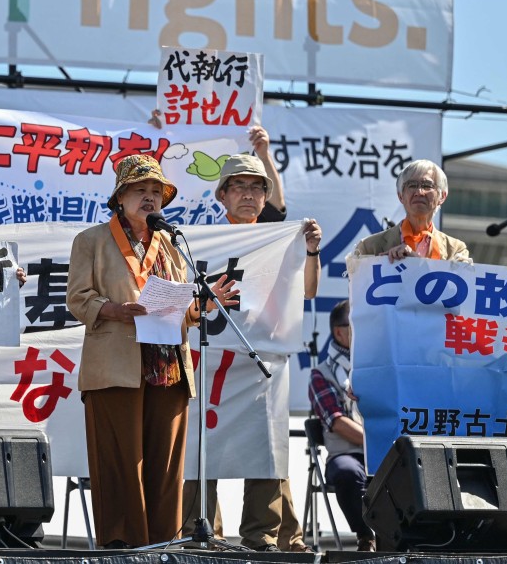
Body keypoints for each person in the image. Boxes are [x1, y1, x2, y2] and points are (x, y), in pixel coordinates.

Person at [66, 154, 239, 548]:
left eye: (156, 192)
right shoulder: (91, 240)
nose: (150, 198)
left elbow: (179, 309)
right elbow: (77, 299)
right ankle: (122, 547)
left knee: (166, 468)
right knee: (121, 464)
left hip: (169, 367)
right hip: (115, 366)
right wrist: (114, 310)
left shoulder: (172, 244)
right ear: (121, 197)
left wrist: (204, 306)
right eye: (141, 190)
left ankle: (164, 545)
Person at [182, 143, 322, 552]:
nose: (247, 194)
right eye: (238, 186)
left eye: (256, 187)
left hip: (263, 361)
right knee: (200, 446)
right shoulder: (196, 241)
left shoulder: (282, 239)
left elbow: (309, 290)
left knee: (265, 446)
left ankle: (261, 537)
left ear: (266, 195)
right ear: (221, 194)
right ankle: (201, 534)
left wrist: (311, 251)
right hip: (208, 356)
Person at [308, 300, 375, 552]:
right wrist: (376, 441)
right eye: (357, 326)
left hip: (384, 451)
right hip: (349, 452)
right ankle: (366, 536)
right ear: (339, 332)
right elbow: (337, 422)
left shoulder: (376, 365)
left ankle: (401, 538)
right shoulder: (321, 374)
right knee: (347, 472)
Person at [354, 159, 469, 262]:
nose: (419, 192)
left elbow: (460, 285)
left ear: (442, 196)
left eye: (427, 185)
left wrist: (414, 261)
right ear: (400, 196)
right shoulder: (369, 247)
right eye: (412, 185)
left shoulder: (456, 250)